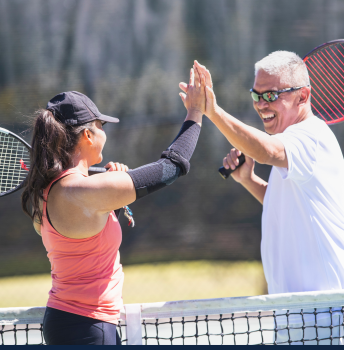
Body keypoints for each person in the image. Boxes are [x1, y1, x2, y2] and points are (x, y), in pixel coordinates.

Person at [21, 67, 206, 345]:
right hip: (87, 329)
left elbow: (81, 236)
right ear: (86, 136)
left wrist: (111, 201)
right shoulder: (81, 191)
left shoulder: (51, 190)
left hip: (74, 323)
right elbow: (171, 168)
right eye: (101, 126)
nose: (104, 134)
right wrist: (196, 113)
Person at [179, 52, 344, 344]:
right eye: (256, 95)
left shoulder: (311, 136)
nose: (261, 104)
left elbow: (267, 151)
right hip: (296, 317)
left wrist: (213, 111)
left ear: (302, 96)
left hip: (326, 318)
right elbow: (290, 207)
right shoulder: (294, 145)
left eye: (271, 95)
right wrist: (249, 180)